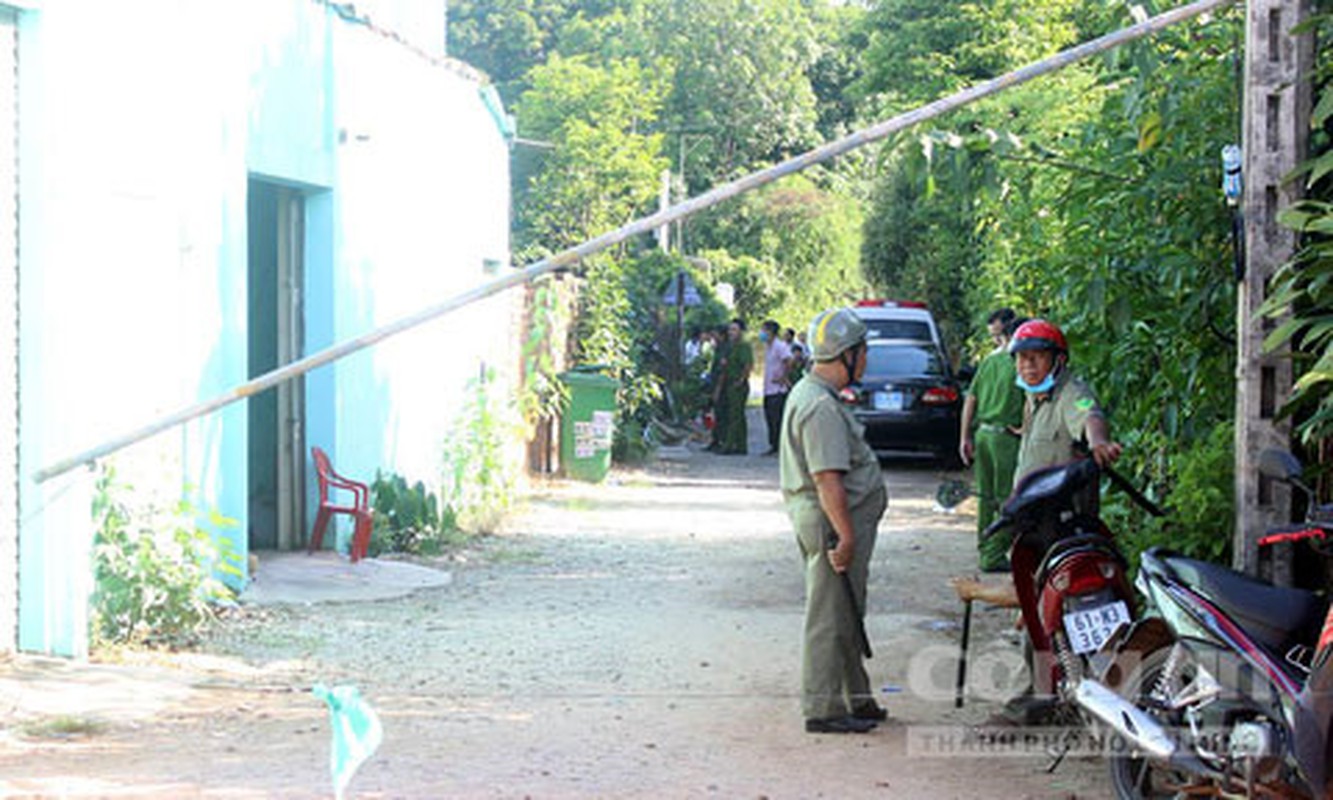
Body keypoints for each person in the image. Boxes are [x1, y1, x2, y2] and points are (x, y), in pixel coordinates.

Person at [780, 307, 889, 734]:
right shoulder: (818, 406)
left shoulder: (817, 396)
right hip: (831, 522)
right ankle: (823, 708)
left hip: (834, 521)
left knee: (846, 608)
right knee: (829, 613)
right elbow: (827, 480)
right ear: (847, 354)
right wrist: (844, 536)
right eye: (863, 352)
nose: (866, 360)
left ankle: (855, 700)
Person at [958, 309, 1027, 572]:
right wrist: (1025, 428)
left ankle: (984, 548)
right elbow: (1034, 401)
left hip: (983, 434)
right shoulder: (1020, 363)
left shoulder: (989, 361)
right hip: (1005, 439)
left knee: (986, 497)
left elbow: (971, 399)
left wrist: (964, 436)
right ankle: (994, 555)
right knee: (1006, 497)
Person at [716, 319, 753, 455]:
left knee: (735, 416)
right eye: (730, 329)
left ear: (741, 332)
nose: (731, 332)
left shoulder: (743, 346)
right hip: (729, 382)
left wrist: (741, 380)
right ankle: (741, 446)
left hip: (737, 384)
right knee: (738, 415)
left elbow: (747, 365)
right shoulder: (731, 346)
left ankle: (729, 445)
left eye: (734, 329)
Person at [760, 319, 793, 456]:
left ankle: (780, 448)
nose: (762, 333)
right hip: (768, 388)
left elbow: (789, 360)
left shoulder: (780, 346)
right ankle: (773, 445)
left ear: (771, 332)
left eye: (764, 331)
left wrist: (783, 377)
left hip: (778, 389)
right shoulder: (768, 346)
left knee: (777, 419)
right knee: (769, 418)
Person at [705, 324, 732, 452]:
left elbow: (723, 371)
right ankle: (715, 440)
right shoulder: (717, 348)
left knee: (721, 414)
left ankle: (722, 440)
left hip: (722, 387)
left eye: (714, 333)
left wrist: (718, 389)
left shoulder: (725, 348)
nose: (712, 336)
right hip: (715, 384)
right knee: (714, 413)